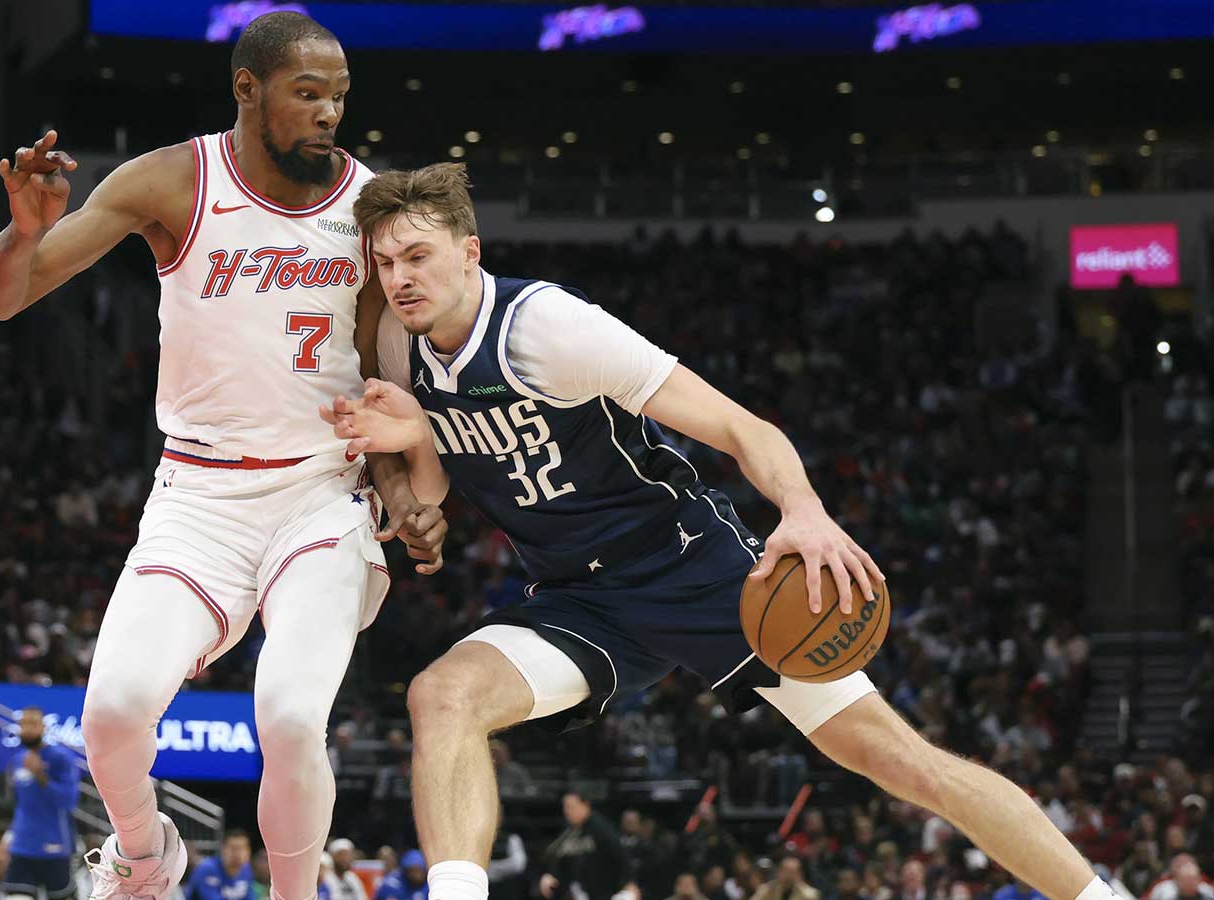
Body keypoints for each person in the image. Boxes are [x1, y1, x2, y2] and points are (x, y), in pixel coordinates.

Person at [321, 162, 1128, 900]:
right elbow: (431, 472)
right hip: (576, 598)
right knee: (441, 694)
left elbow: (744, 429)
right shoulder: (397, 342)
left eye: (417, 257)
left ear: (469, 252)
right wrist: (412, 469)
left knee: (898, 759)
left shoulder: (550, 329)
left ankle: (1100, 896)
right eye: (386, 264)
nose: (399, 279)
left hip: (690, 570)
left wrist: (803, 512)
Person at [0, 11, 444, 900]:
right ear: (247, 89)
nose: (329, 112)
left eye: (339, 95)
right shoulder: (176, 180)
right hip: (199, 497)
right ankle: (146, 858)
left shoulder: (372, 205)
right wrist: (25, 235)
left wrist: (405, 487)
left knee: (294, 717)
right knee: (109, 716)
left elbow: (383, 380)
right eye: (308, 94)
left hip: (318, 493)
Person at [0, 708, 80, 900]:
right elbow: (22, 804)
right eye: (23, 724)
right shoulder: (18, 759)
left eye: (32, 724)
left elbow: (69, 801)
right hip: (22, 845)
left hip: (54, 846)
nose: (27, 729)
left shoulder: (61, 758)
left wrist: (41, 776)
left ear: (43, 727)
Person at [187, 831, 254, 900]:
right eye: (233, 848)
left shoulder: (246, 870)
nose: (237, 853)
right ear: (223, 849)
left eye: (241, 848)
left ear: (249, 852)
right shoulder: (207, 868)